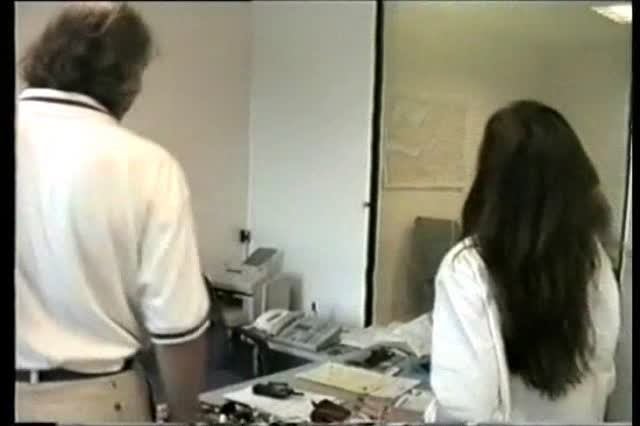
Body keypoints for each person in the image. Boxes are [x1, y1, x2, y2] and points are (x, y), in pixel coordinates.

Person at [16, 3, 210, 422]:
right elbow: (177, 327)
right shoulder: (147, 165)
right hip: (94, 401)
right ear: (127, 79)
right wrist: (184, 415)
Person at [424, 100, 620, 422]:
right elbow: (603, 367)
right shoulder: (591, 256)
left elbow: (465, 403)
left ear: (492, 176)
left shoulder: (467, 266)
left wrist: (431, 414)